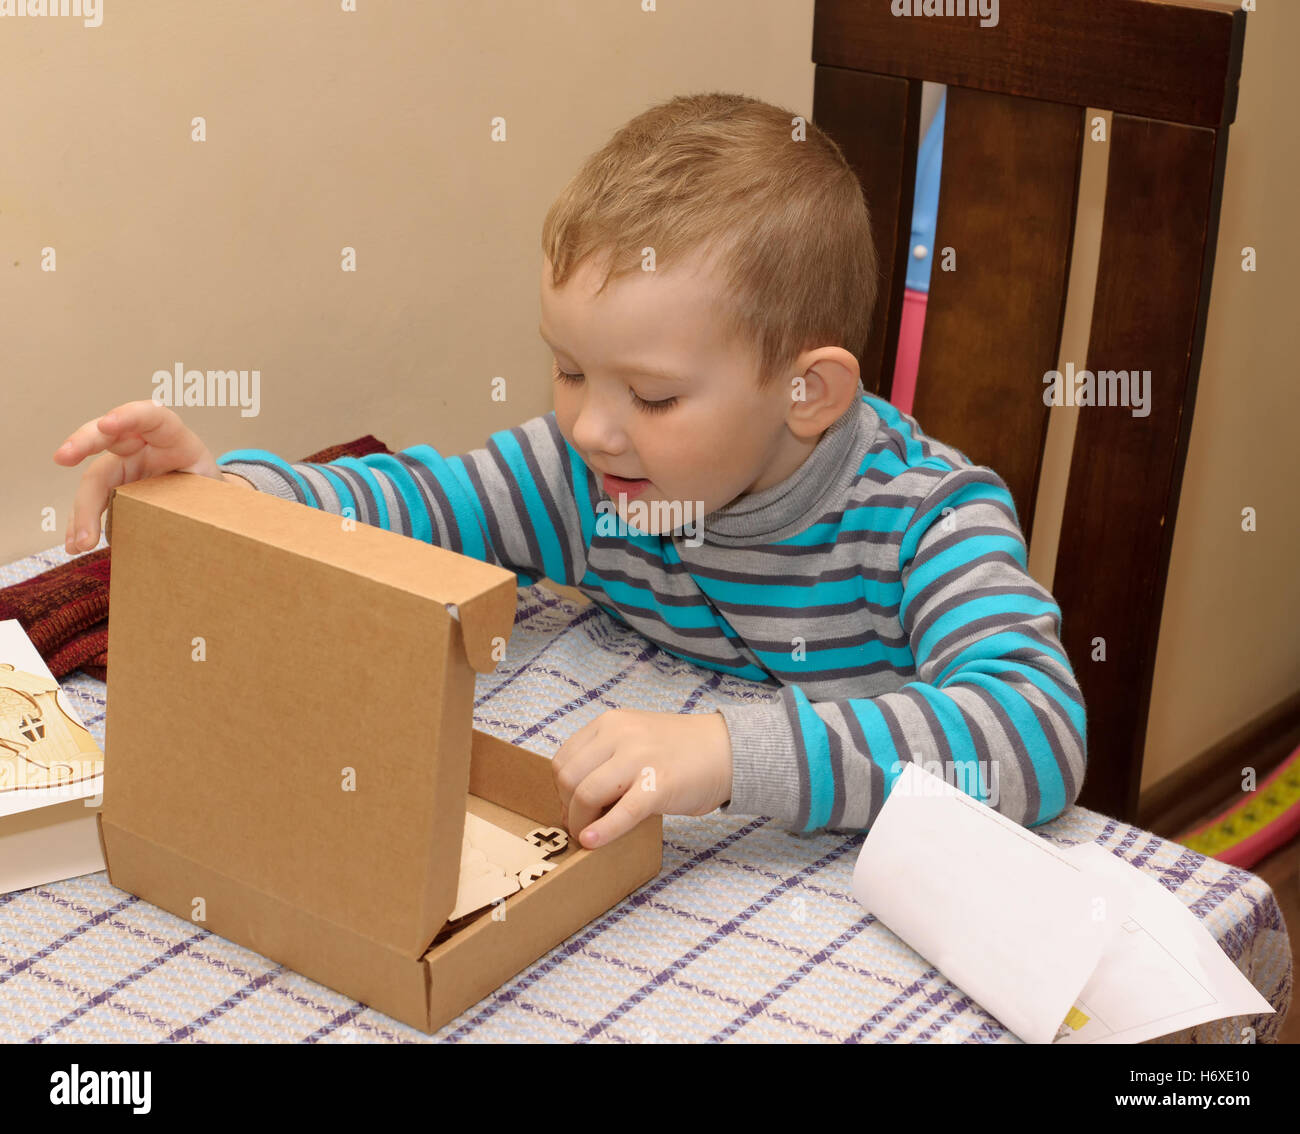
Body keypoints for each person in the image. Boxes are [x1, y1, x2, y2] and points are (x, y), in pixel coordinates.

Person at [53, 92, 1086, 853]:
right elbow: (415, 503)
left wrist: (727, 755)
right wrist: (231, 495)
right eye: (567, 368)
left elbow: (1035, 731)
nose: (590, 427)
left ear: (806, 392)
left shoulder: (926, 521)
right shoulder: (591, 478)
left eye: (653, 395)